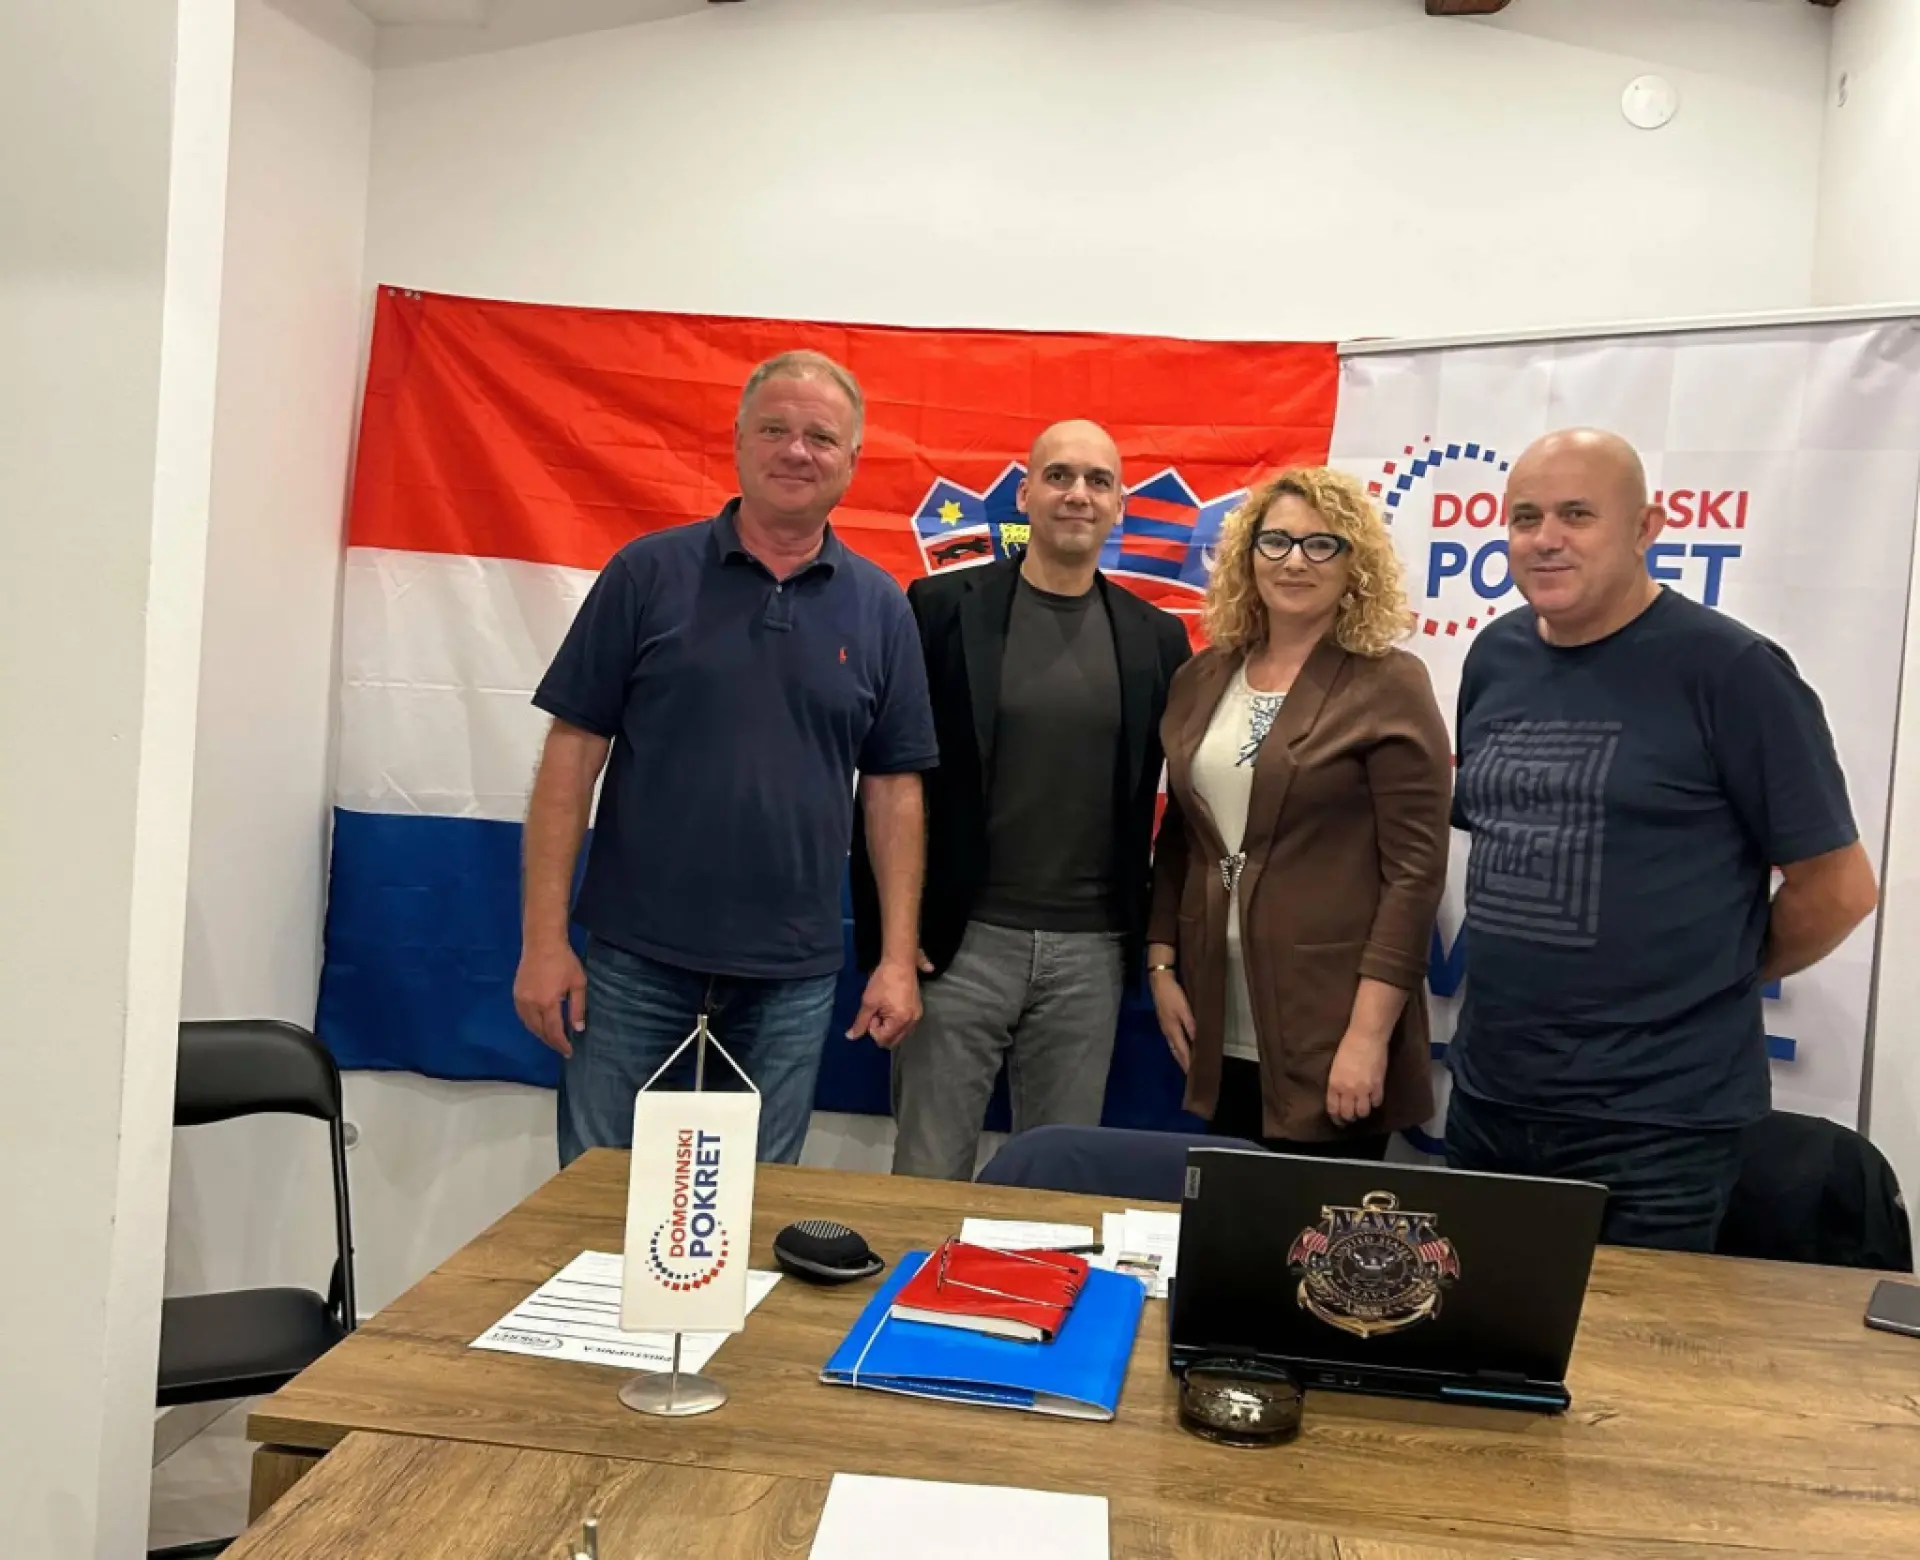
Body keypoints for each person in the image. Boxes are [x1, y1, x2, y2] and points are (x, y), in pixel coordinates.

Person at [1447, 427, 1878, 1251]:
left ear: (1646, 528)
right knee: (1481, 1328)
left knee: (1630, 1339)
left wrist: (1716, 973)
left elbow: (1840, 889)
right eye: (1526, 517)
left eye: (1578, 514)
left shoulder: (1733, 670)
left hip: (1657, 1126)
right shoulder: (1495, 655)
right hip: (1490, 1097)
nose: (1546, 538)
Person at [513, 350, 938, 1167]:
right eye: (775, 430)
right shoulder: (646, 574)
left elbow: (894, 792)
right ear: (739, 441)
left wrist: (895, 959)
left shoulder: (882, 608)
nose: (797, 451)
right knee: (596, 1201)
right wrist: (542, 940)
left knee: (750, 1207)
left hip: (792, 977)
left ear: (853, 461)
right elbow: (570, 760)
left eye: (821, 437)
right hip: (634, 961)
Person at [852, 420, 1191, 1179]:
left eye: (1098, 481)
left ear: (1120, 504)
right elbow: (888, 783)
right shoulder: (940, 608)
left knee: (1056, 1188)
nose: (1078, 494)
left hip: (1092, 953)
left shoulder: (1158, 639)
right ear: (1026, 492)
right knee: (927, 1176)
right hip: (958, 946)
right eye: (1060, 476)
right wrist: (891, 947)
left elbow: (1182, 809)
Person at [1147, 467, 1451, 1157]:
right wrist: (1161, 965)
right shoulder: (1203, 676)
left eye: (1321, 545)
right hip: (1217, 1016)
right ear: (1247, 554)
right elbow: (1182, 838)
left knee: (1320, 1222)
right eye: (1277, 541)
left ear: (1354, 564)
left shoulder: (1389, 684)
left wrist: (1368, 1037)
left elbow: (1413, 877)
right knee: (1233, 1213)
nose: (1294, 561)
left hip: (1331, 1028)